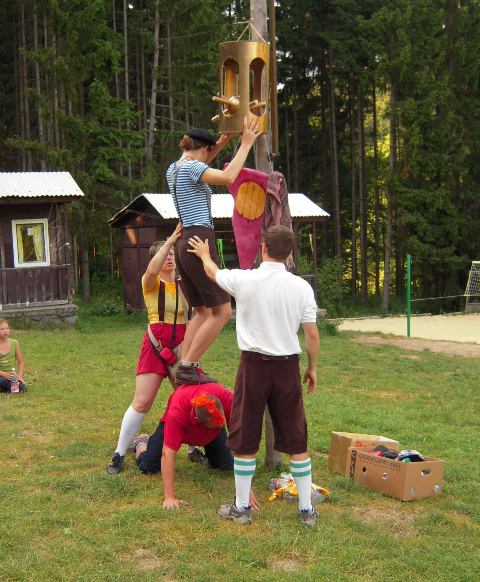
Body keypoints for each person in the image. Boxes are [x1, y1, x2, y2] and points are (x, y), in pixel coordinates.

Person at [188, 225, 320, 527]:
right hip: (287, 368)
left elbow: (212, 273)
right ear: (289, 253)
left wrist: (205, 254)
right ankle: (305, 510)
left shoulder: (244, 279)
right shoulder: (301, 287)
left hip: (254, 368)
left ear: (263, 248)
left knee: (245, 436)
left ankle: (241, 508)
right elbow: (312, 334)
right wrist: (312, 368)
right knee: (297, 439)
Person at [167, 117, 261, 386]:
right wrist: (245, 144)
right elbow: (228, 176)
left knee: (202, 311)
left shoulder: (174, 168)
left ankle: (182, 361)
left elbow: (202, 163)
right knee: (223, 310)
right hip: (199, 239)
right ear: (204, 149)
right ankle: (188, 366)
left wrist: (220, 144)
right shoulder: (194, 168)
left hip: (183, 241)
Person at [107, 225, 204, 474]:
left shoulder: (186, 284)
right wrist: (170, 240)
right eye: (165, 254)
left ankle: (193, 448)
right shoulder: (150, 282)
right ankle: (119, 453)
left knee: (190, 399)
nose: (169, 256)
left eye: (172, 253)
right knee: (142, 402)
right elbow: (151, 270)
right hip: (156, 344)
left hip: (183, 346)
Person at [129, 382, 259, 511]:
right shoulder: (176, 413)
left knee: (225, 465)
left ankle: (207, 448)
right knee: (148, 465)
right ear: (201, 421)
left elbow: (239, 438)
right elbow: (167, 454)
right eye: (217, 423)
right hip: (177, 425)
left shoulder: (225, 397)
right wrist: (169, 497)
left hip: (212, 433)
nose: (222, 424)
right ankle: (140, 442)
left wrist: (245, 490)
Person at [0, 318, 27, 393]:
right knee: (1, 380)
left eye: (7, 328)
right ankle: (9, 388)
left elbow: (21, 362)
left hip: (12, 376)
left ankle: (7, 388)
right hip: (1, 375)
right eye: (2, 329)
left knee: (23, 388)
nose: (5, 331)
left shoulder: (15, 343)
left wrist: (19, 376)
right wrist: (3, 374)